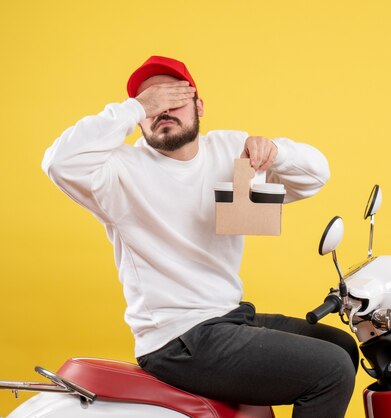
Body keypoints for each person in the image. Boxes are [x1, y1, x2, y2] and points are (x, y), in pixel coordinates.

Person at [42, 55, 358, 418]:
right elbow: (58, 162)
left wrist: (277, 152)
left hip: (226, 317)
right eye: (152, 105)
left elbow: (315, 176)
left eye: (173, 99)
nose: (162, 111)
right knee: (331, 369)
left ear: (199, 105)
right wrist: (132, 108)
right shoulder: (118, 173)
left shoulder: (229, 150)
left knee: (341, 346)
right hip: (178, 340)